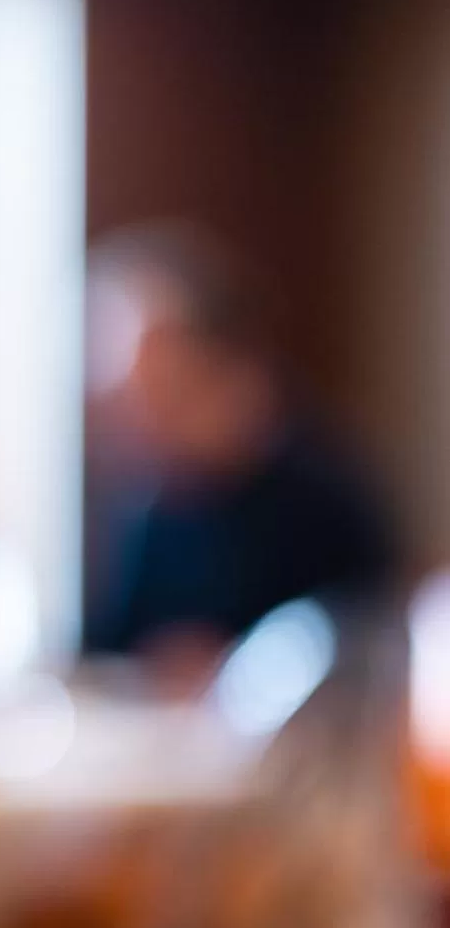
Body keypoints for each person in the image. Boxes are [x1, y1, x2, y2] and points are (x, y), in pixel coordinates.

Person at [82, 222, 398, 669]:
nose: (135, 412)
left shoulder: (325, 497)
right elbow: (110, 654)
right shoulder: (149, 504)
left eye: (159, 384)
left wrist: (232, 673)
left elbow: (362, 656)